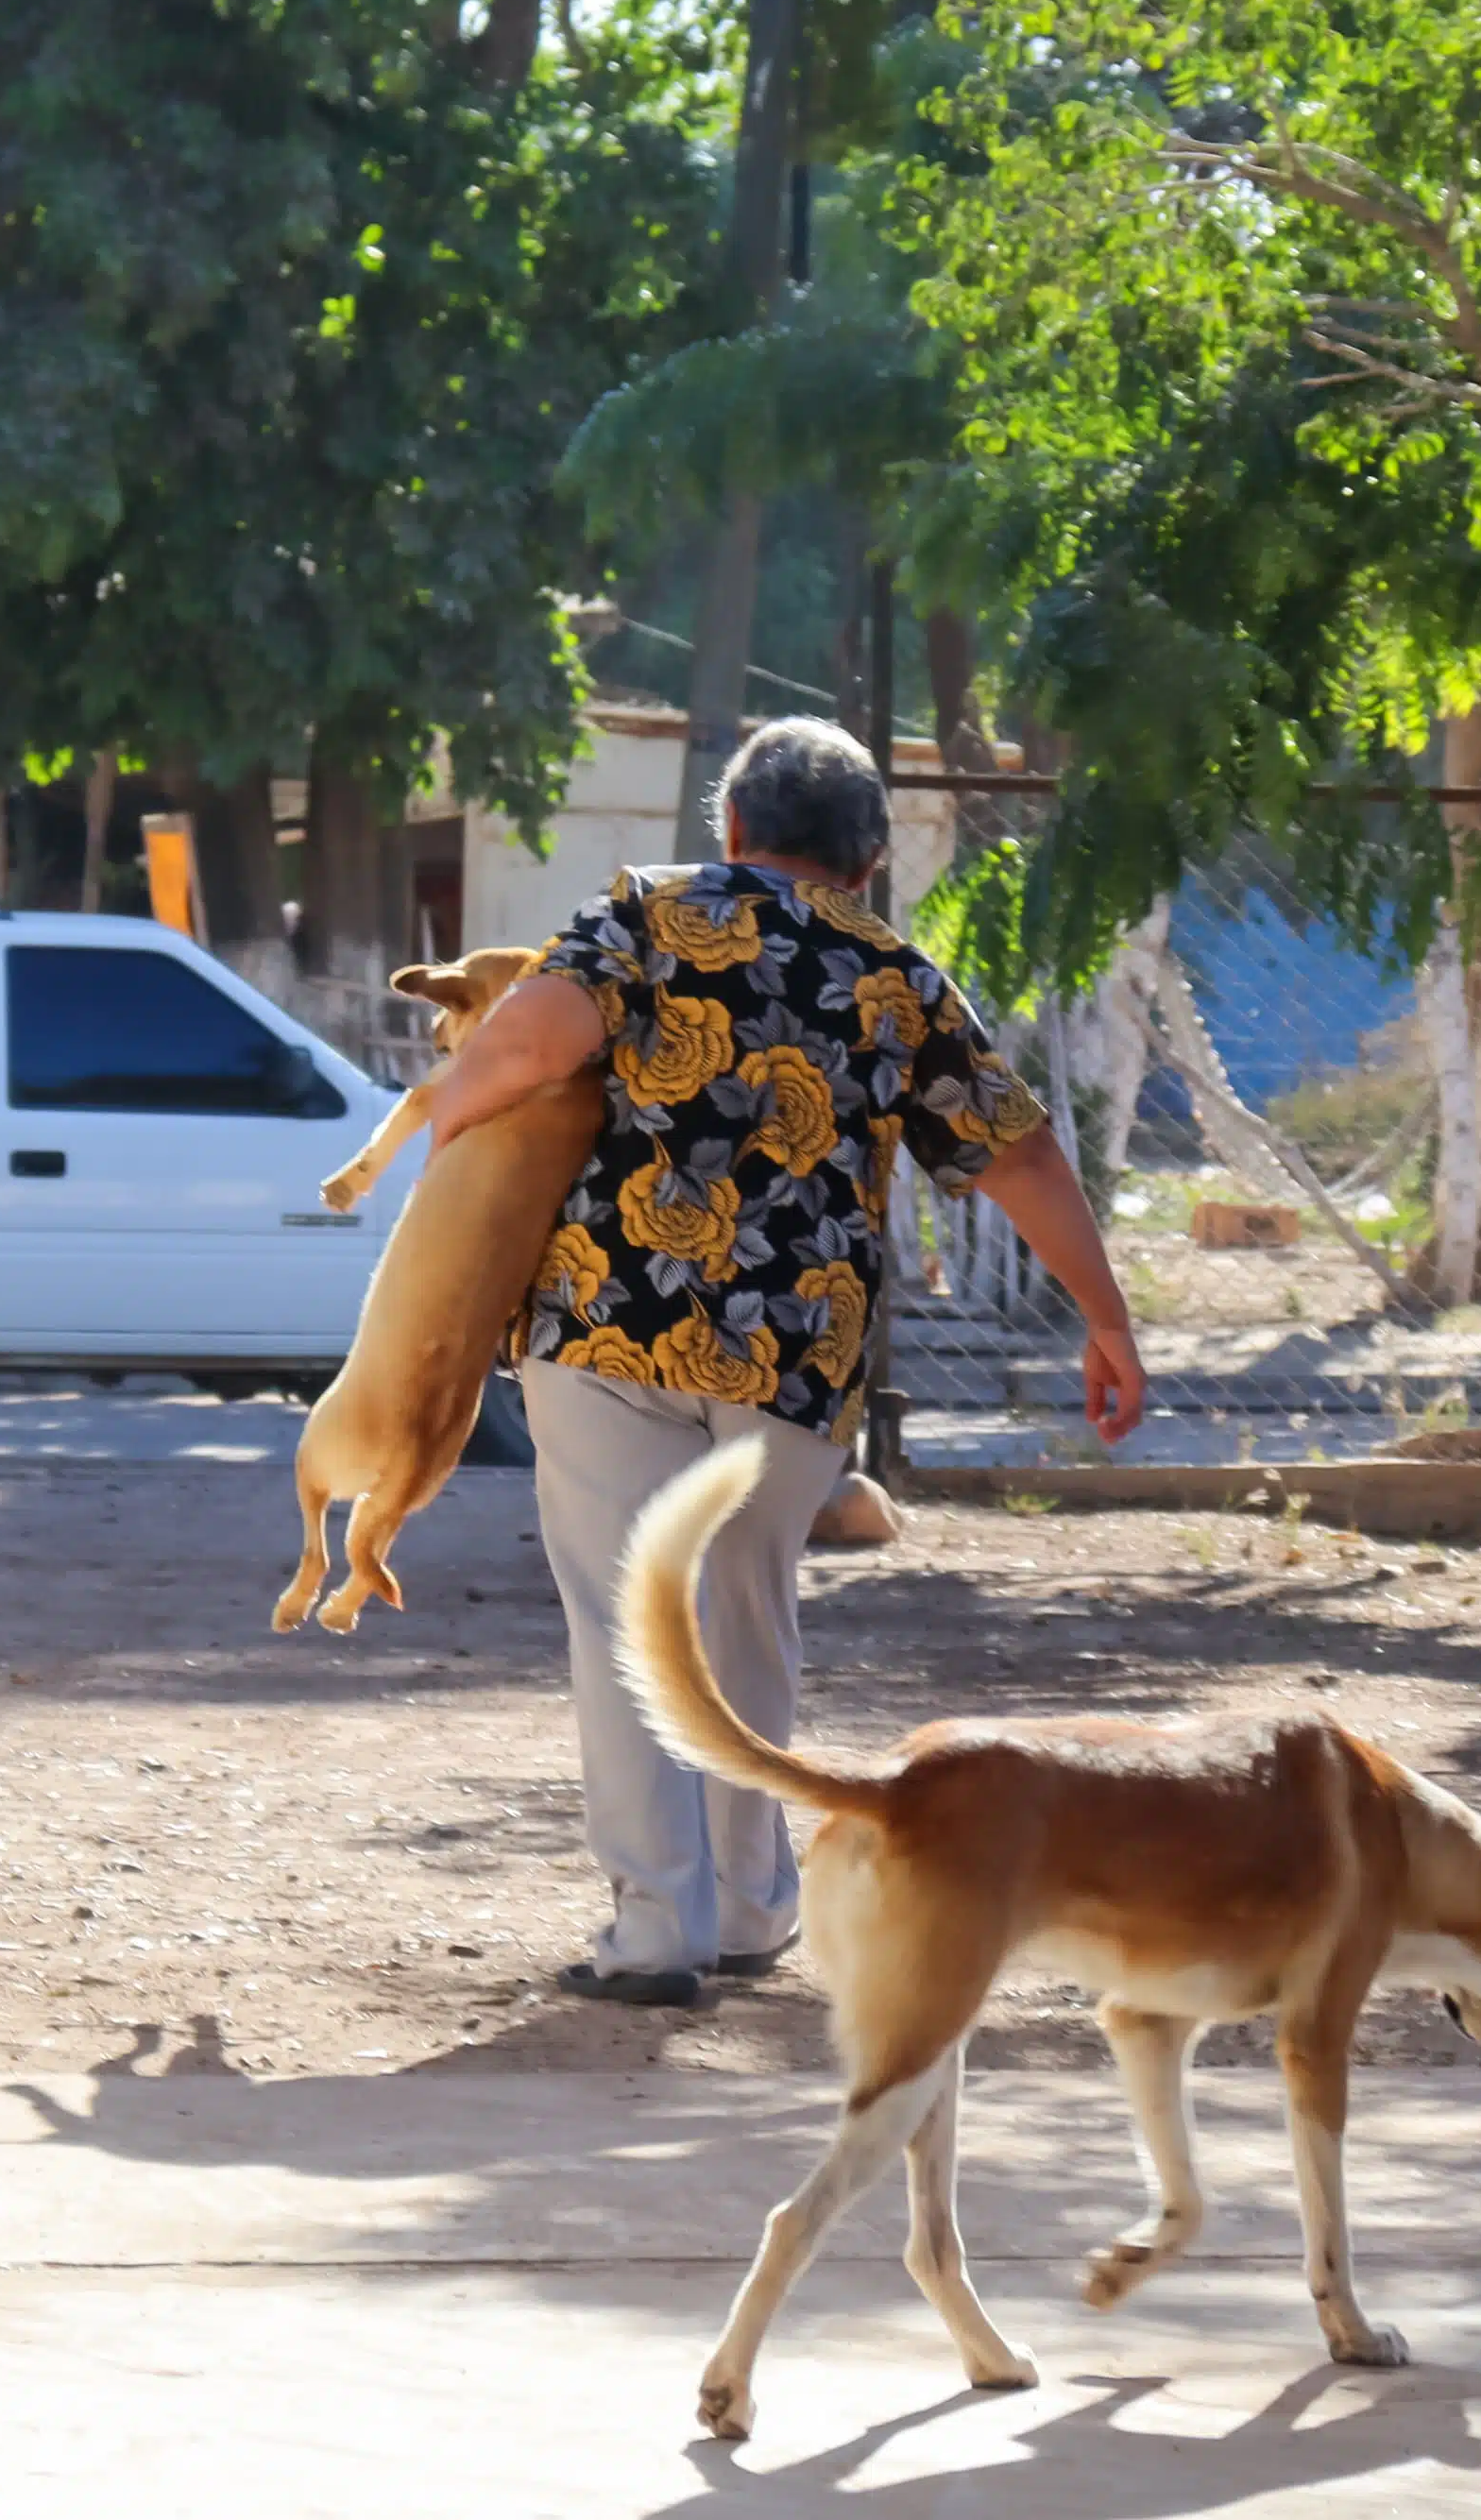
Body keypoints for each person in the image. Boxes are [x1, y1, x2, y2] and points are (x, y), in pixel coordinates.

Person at [422, 717, 1149, 2009]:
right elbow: (1020, 1159)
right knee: (745, 1606)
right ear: (868, 862)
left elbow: (530, 1045)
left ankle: (656, 1931)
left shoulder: (649, 916)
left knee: (619, 1614)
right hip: (797, 1352)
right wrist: (1108, 1321)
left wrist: (443, 1157)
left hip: (609, 1322)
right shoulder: (901, 977)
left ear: (734, 834)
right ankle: (756, 1909)